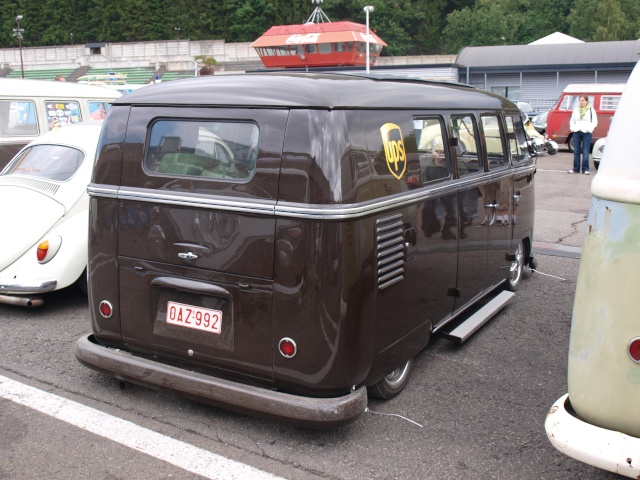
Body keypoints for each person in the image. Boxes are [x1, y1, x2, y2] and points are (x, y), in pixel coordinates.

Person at [568, 94, 597, 175]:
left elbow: (594, 121)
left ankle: (585, 169)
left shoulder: (591, 110)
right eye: (580, 100)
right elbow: (572, 120)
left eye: (583, 100)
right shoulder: (576, 110)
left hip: (586, 132)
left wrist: (590, 129)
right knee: (576, 151)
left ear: (586, 101)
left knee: (585, 152)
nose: (581, 102)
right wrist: (572, 128)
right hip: (577, 131)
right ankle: (576, 169)